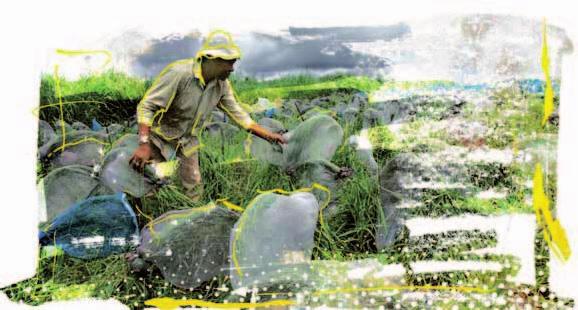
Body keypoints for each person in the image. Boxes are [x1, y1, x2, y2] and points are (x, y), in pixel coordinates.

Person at [129, 30, 286, 202]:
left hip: (187, 142)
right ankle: (151, 218)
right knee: (153, 185)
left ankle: (191, 217)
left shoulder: (222, 85)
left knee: (194, 187)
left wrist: (268, 135)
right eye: (229, 63)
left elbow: (239, 115)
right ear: (212, 59)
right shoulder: (180, 74)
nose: (232, 69)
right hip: (159, 137)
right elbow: (147, 106)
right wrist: (144, 144)